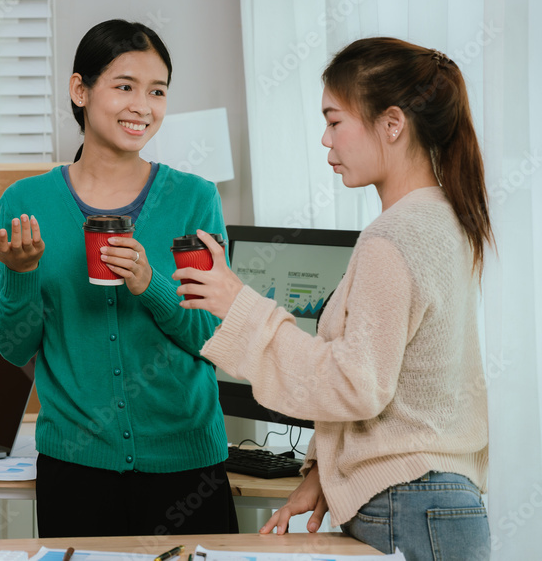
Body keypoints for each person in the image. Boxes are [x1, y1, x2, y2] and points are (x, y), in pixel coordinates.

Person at [176, 37, 491, 560]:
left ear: (392, 124)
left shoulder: (391, 238)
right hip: (433, 500)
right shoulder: (443, 219)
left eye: (335, 120)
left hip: (408, 505)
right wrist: (324, 472)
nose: (325, 140)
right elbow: (409, 384)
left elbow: (355, 383)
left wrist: (240, 305)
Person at [0, 19, 237, 537]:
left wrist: (151, 283)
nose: (142, 106)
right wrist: (24, 275)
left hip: (187, 467)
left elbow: (212, 338)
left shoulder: (195, 199)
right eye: (124, 86)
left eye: (157, 91)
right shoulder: (26, 203)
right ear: (81, 90)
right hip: (76, 470)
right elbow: (12, 348)